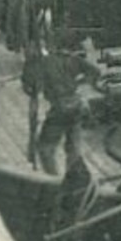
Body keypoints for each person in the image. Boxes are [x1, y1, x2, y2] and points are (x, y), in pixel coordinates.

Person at [23, 29, 99, 177]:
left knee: (45, 148)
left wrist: (30, 65)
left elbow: (30, 87)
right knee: (73, 148)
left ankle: (53, 180)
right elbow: (95, 72)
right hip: (77, 106)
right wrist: (78, 83)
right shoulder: (72, 59)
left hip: (60, 110)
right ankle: (74, 178)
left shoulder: (43, 63)